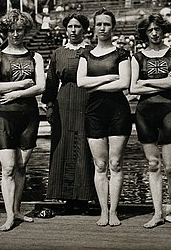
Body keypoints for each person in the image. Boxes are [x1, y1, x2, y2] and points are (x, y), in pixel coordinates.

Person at [0, 9, 45, 231]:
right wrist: (22, 84)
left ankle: (18, 210)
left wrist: (15, 94)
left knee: (21, 166)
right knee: (8, 168)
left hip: (29, 116)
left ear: (26, 31)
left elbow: (41, 86)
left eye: (19, 30)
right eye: (11, 30)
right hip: (5, 117)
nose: (16, 34)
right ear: (5, 32)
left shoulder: (35, 56)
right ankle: (9, 215)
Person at [130, 13, 171, 230]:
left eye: (157, 29)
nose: (154, 33)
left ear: (163, 30)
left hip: (168, 111)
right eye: (150, 30)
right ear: (145, 33)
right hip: (144, 113)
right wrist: (164, 82)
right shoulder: (137, 57)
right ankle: (157, 213)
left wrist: (146, 81)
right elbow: (133, 88)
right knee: (153, 165)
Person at [77, 8, 132, 226]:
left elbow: (124, 83)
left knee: (116, 163)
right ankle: (103, 211)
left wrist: (96, 82)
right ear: (94, 27)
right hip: (94, 113)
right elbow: (81, 82)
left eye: (106, 24)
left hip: (118, 113)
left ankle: (114, 210)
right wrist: (110, 76)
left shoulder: (122, 53)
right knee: (100, 165)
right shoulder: (86, 54)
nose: (102, 28)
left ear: (113, 27)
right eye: (99, 24)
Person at [41, 13, 96, 214]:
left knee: (83, 147)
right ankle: (66, 199)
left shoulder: (91, 51)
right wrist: (49, 106)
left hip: (86, 102)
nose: (73, 30)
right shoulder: (58, 53)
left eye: (77, 27)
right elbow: (51, 82)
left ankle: (84, 198)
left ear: (84, 29)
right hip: (63, 103)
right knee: (63, 147)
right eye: (70, 27)